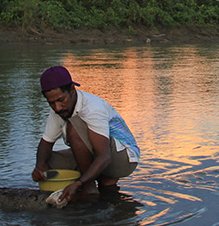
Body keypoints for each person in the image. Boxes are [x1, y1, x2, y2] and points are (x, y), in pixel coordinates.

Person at [31, 65, 139, 203]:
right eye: (51, 103)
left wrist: (80, 184)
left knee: (74, 126)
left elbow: (105, 157)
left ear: (72, 90)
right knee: (49, 163)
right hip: (100, 154)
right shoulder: (59, 111)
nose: (57, 107)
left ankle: (90, 187)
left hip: (123, 158)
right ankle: (102, 179)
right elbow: (45, 144)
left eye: (61, 100)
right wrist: (40, 166)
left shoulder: (92, 108)